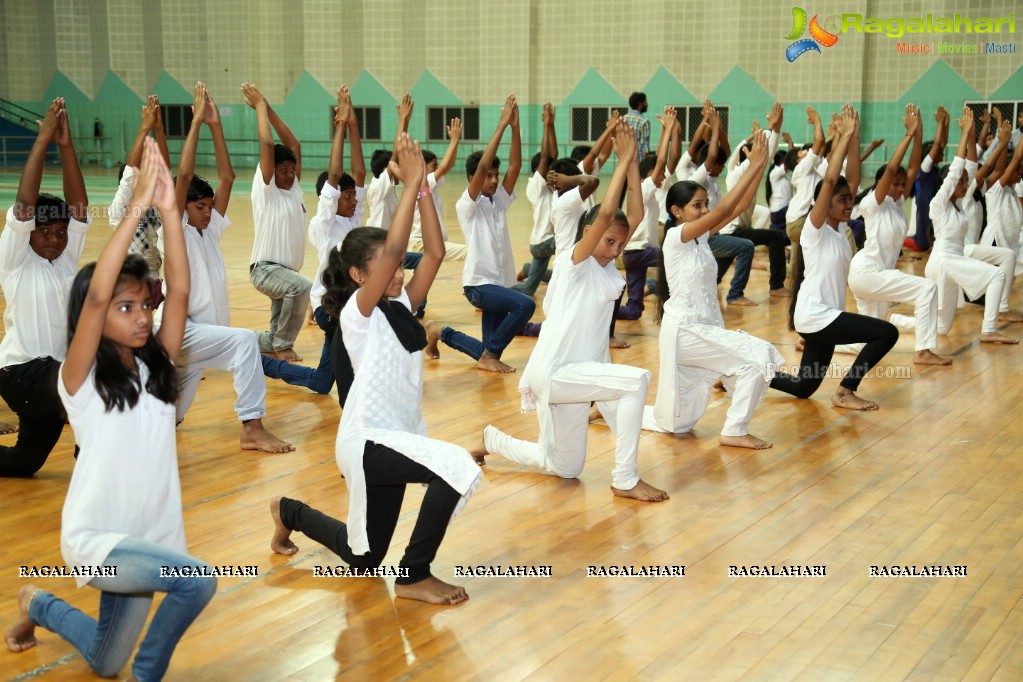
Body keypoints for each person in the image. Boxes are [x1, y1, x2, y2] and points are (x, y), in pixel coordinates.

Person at [4, 137, 217, 679]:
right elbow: (97, 296)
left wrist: (170, 212)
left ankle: (37, 604)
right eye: (127, 307)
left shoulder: (157, 368)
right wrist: (139, 206)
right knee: (198, 581)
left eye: (145, 305)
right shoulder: (79, 379)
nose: (142, 315)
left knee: (104, 660)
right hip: (98, 541)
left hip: (150, 537)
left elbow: (182, 292)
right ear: (96, 314)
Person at [269, 132, 483, 605]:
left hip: (399, 437)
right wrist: (406, 186)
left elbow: (434, 252)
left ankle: (288, 511)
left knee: (363, 558)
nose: (399, 273)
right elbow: (394, 254)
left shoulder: (402, 303)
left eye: (398, 269)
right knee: (456, 467)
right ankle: (413, 575)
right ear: (361, 276)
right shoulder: (356, 315)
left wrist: (423, 184)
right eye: (387, 268)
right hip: (367, 441)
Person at [476, 122, 669, 502]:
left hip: (583, 375)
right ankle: (625, 479)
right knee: (635, 383)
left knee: (564, 467)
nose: (615, 249)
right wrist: (624, 157)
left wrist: (631, 167)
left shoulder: (606, 264)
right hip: (560, 371)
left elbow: (629, 210)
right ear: (588, 235)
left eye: (619, 243)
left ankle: (491, 439)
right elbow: (607, 212)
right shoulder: (573, 261)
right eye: (608, 241)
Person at [643, 127, 783, 449]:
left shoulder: (701, 237)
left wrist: (759, 165)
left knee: (677, 423)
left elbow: (735, 208)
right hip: (685, 332)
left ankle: (607, 408)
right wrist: (753, 163)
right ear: (677, 212)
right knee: (759, 357)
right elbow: (723, 212)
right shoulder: (676, 238)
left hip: (703, 330)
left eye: (706, 204)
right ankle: (735, 430)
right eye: (697, 206)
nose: (705, 211)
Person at [173, 83, 293, 452]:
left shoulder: (208, 232)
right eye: (200, 208)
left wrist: (215, 126)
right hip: (180, 329)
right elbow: (182, 177)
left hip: (201, 335)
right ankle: (252, 428)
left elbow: (228, 178)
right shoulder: (174, 228)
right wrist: (195, 122)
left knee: (170, 416)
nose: (208, 213)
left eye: (211, 207)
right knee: (244, 343)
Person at [770, 105, 900, 410]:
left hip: (819, 315)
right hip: (818, 316)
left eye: (849, 200)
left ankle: (743, 376)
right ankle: (845, 391)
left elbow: (850, 179)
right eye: (841, 201)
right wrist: (841, 138)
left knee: (803, 386)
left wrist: (853, 140)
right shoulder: (813, 231)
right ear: (823, 203)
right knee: (886, 333)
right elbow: (830, 182)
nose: (848, 204)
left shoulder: (839, 229)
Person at [0, 98, 89, 477]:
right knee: (92, 384)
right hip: (22, 371)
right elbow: (24, 203)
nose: (54, 238)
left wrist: (66, 146)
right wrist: (43, 141)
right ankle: (93, 459)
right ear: (28, 233)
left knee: (25, 463)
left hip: (52, 379)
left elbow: (79, 205)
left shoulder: (67, 258)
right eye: (44, 231)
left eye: (61, 232)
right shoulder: (16, 258)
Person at [262, 84, 366, 399]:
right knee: (355, 337)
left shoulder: (352, 220)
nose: (351, 200)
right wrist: (339, 127)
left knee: (322, 383)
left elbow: (358, 171)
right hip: (328, 306)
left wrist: (353, 126)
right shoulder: (323, 223)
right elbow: (335, 174)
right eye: (344, 195)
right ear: (330, 198)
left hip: (347, 305)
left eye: (352, 196)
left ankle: (264, 364)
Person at [427, 95, 535, 373]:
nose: (494, 179)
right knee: (525, 306)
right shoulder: (467, 205)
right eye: (488, 176)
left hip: (498, 283)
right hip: (479, 285)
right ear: (474, 179)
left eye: (495, 175)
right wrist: (500, 126)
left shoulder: (497, 202)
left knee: (487, 349)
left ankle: (439, 331)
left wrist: (515, 127)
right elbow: (485, 165)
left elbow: (515, 167)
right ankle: (489, 354)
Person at [843, 104, 951, 365]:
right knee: (926, 289)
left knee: (866, 343)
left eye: (903, 185)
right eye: (895, 183)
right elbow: (892, 170)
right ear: (882, 183)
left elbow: (912, 168)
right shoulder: (873, 202)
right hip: (867, 271)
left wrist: (918, 131)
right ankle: (923, 351)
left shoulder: (896, 205)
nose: (901, 187)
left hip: (875, 277)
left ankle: (814, 341)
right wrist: (906, 136)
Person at [925, 106, 1018, 344]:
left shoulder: (961, 202)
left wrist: (979, 136)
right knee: (997, 275)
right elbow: (958, 171)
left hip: (952, 262)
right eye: (962, 181)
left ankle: (895, 320)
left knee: (942, 328)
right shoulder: (939, 203)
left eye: (967, 181)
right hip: (945, 261)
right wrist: (966, 134)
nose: (966, 183)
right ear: (950, 182)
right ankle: (988, 330)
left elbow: (972, 167)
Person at [242, 82, 310, 363]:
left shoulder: (294, 189)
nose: (290, 174)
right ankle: (283, 346)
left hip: (284, 272)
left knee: (270, 334)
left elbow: (293, 144)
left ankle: (242, 341)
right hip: (266, 270)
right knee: (303, 287)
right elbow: (268, 144)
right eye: (284, 170)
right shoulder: (266, 189)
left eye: (292, 170)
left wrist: (268, 108)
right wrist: (259, 108)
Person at [616, 106, 677, 320]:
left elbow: (659, 162)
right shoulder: (645, 188)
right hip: (639, 252)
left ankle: (607, 314)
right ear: (651, 174)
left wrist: (664, 131)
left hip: (633, 255)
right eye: (659, 176)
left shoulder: (643, 190)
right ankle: (674, 306)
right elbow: (660, 161)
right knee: (675, 256)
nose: (662, 179)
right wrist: (668, 130)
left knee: (634, 310)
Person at [109, 95, 170, 296]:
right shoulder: (119, 213)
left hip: (154, 279)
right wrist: (145, 128)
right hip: (128, 281)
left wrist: (159, 129)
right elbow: (130, 172)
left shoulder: (155, 206)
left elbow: (164, 173)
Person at [512, 102, 559, 297]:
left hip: (541, 244)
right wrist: (545, 125)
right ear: (540, 170)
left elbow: (553, 156)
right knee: (575, 238)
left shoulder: (549, 185)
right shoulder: (536, 185)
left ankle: (526, 268)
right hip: (545, 241)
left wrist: (551, 125)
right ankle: (497, 290)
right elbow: (547, 156)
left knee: (533, 285)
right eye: (548, 169)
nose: (553, 173)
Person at [410, 117, 468, 260]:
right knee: (470, 253)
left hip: (431, 243)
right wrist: (453, 140)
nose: (437, 169)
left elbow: (449, 165)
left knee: (420, 279)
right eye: (433, 166)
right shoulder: (421, 183)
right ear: (422, 167)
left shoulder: (429, 185)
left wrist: (456, 141)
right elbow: (443, 167)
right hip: (422, 243)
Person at [623, 91, 651, 158]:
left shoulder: (623, 119)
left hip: (623, 160)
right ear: (640, 104)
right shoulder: (644, 121)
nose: (647, 104)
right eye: (645, 101)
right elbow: (645, 146)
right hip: (637, 161)